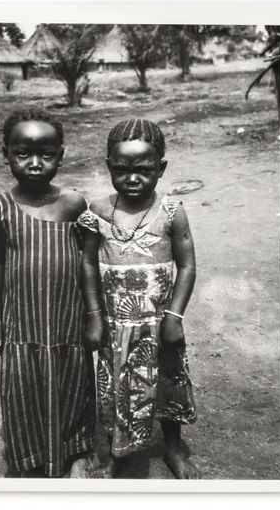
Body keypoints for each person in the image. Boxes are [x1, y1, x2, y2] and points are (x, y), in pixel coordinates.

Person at [78, 118, 199, 479]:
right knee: (113, 388)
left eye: (144, 170)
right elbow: (86, 263)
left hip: (159, 323)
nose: (133, 178)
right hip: (116, 325)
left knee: (166, 383)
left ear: (160, 169)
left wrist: (174, 317)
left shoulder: (171, 212)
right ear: (109, 167)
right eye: (122, 169)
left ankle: (174, 450)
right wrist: (95, 316)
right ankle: (110, 453)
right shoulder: (97, 211)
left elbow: (188, 265)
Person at [0, 109, 95, 478]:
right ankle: (27, 456)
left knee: (73, 382)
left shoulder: (75, 204)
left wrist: (94, 315)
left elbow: (89, 260)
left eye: (46, 155)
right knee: (23, 387)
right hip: (23, 321)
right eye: (22, 154)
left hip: (66, 317)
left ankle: (76, 449)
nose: (35, 163)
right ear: (6, 154)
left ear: (60, 156)